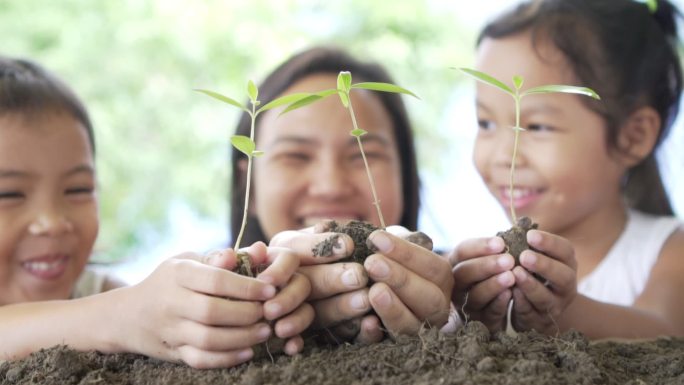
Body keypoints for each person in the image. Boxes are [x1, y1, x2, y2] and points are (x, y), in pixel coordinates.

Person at [0, 56, 315, 368]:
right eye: (9, 194)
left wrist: (234, 295)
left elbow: (154, 321)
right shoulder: (110, 310)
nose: (53, 222)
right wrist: (122, 314)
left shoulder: (96, 291)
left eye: (78, 189)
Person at [451, 0, 684, 339]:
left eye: (537, 126)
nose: (504, 155)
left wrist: (564, 314)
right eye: (485, 122)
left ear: (633, 136)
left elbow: (668, 334)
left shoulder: (668, 251)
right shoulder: (489, 265)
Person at [229, 46, 453, 343]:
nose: (330, 186)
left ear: (405, 173)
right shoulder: (211, 291)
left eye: (362, 155)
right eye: (296, 156)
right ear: (249, 186)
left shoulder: (459, 292)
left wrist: (458, 321)